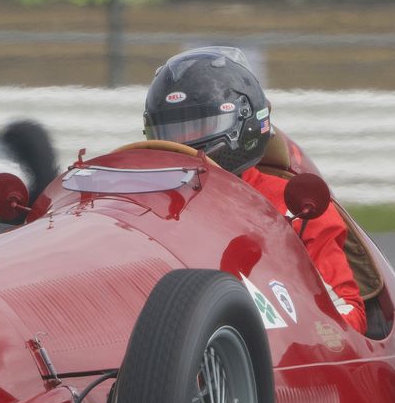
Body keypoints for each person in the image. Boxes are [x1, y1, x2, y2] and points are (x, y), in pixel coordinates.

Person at [142, 46, 371, 334]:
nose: (185, 145)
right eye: (173, 133)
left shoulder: (296, 207)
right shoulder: (148, 205)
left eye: (201, 127)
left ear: (246, 124)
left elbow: (347, 317)